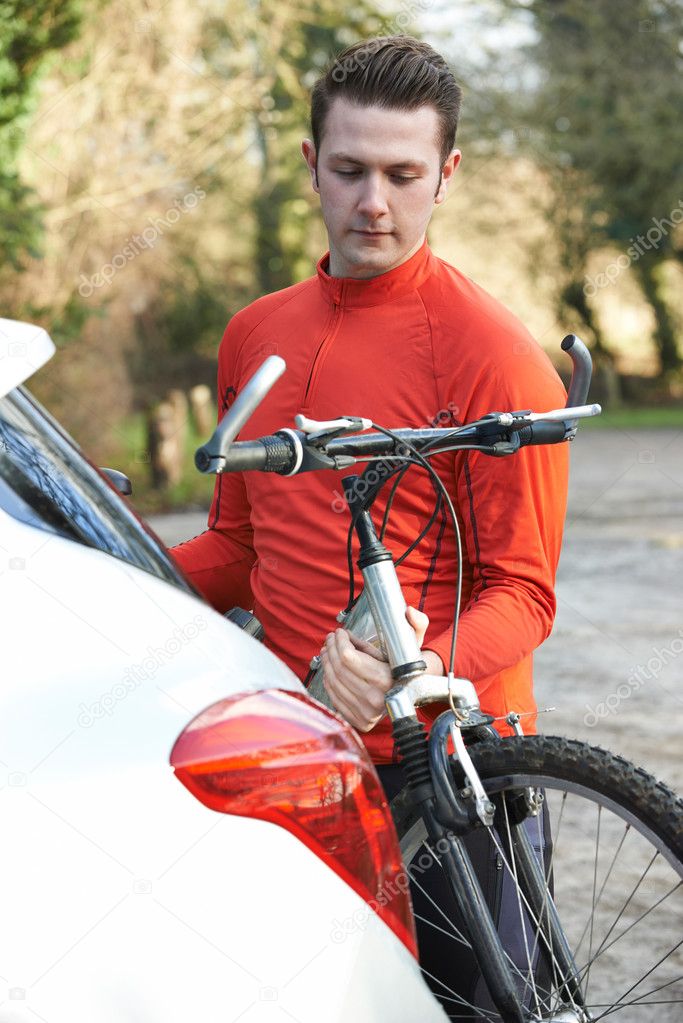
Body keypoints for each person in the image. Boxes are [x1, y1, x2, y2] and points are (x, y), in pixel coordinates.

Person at [171, 35, 569, 1009]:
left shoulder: (493, 358)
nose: (373, 203)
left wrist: (415, 671)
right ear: (312, 166)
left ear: (447, 174)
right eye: (349, 171)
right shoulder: (256, 334)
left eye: (402, 174)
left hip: (456, 775)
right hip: (301, 768)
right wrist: (93, 570)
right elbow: (238, 547)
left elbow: (523, 594)